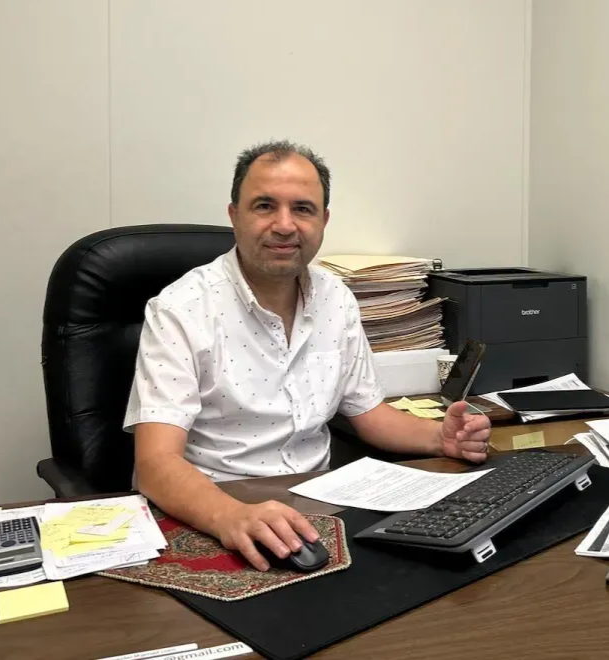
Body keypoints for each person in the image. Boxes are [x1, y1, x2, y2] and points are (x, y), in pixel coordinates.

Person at [124, 140, 491, 571]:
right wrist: (230, 516)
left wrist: (439, 438)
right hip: (215, 511)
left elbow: (369, 413)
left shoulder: (336, 298)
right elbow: (155, 462)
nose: (284, 225)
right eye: (264, 206)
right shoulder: (181, 309)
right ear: (233, 216)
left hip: (321, 509)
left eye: (302, 209)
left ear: (323, 220)